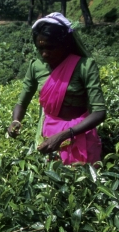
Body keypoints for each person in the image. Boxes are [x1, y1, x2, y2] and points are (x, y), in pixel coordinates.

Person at [7, 13, 106, 165]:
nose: (45, 53)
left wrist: (64, 135)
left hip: (80, 136)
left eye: (50, 47)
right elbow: (22, 102)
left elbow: (99, 113)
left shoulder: (85, 66)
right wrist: (15, 121)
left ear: (65, 43)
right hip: (47, 136)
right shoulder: (36, 66)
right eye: (40, 48)